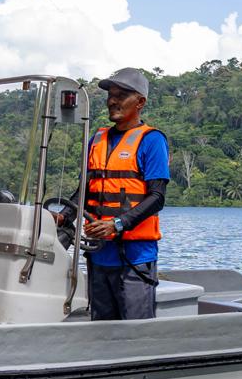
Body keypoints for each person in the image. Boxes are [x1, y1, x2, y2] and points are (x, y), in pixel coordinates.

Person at [63, 67, 170, 320]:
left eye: (121, 95)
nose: (112, 101)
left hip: (135, 258)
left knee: (135, 331)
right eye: (110, 95)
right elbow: (85, 189)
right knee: (101, 327)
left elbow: (157, 197)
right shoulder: (97, 139)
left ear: (140, 102)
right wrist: (64, 215)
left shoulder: (152, 140)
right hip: (99, 256)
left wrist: (117, 224)